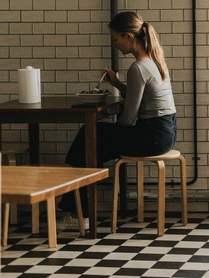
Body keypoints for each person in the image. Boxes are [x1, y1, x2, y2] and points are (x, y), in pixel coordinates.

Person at [57, 12, 177, 231]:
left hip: (151, 135)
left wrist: (107, 135)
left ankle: (79, 213)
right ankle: (79, 209)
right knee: (91, 142)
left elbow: (129, 117)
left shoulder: (138, 68)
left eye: (115, 39)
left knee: (89, 137)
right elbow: (137, 97)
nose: (114, 45)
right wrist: (117, 83)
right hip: (165, 133)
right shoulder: (154, 61)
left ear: (129, 37)